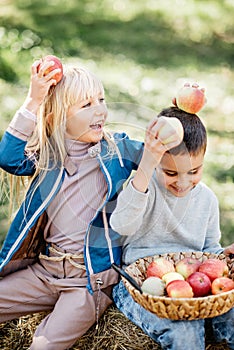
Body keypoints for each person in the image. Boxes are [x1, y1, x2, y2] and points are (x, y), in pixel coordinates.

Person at [0, 58, 145, 350]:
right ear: (57, 117)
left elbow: (166, 158)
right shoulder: (49, 157)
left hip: (89, 282)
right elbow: (8, 157)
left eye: (101, 100)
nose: (100, 110)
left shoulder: (116, 150)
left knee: (42, 346)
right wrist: (34, 99)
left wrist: (177, 122)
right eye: (86, 105)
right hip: (46, 272)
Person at [110, 104, 234, 350]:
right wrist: (145, 168)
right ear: (156, 162)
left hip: (192, 283)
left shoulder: (206, 199)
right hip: (143, 287)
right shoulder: (143, 189)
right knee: (184, 331)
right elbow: (121, 224)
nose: (184, 182)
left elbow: (208, 250)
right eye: (171, 172)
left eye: (194, 171)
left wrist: (222, 256)